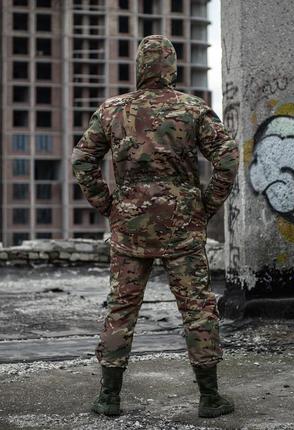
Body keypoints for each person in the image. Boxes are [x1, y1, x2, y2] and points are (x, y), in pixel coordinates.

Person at [71, 34, 239, 419]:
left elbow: (82, 160)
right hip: (182, 225)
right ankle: (210, 398)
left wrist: (108, 205)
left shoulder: (113, 110)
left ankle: (109, 397)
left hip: (130, 226)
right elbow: (227, 157)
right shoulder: (192, 109)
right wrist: (205, 205)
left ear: (140, 67)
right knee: (197, 309)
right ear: (172, 67)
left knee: (121, 309)